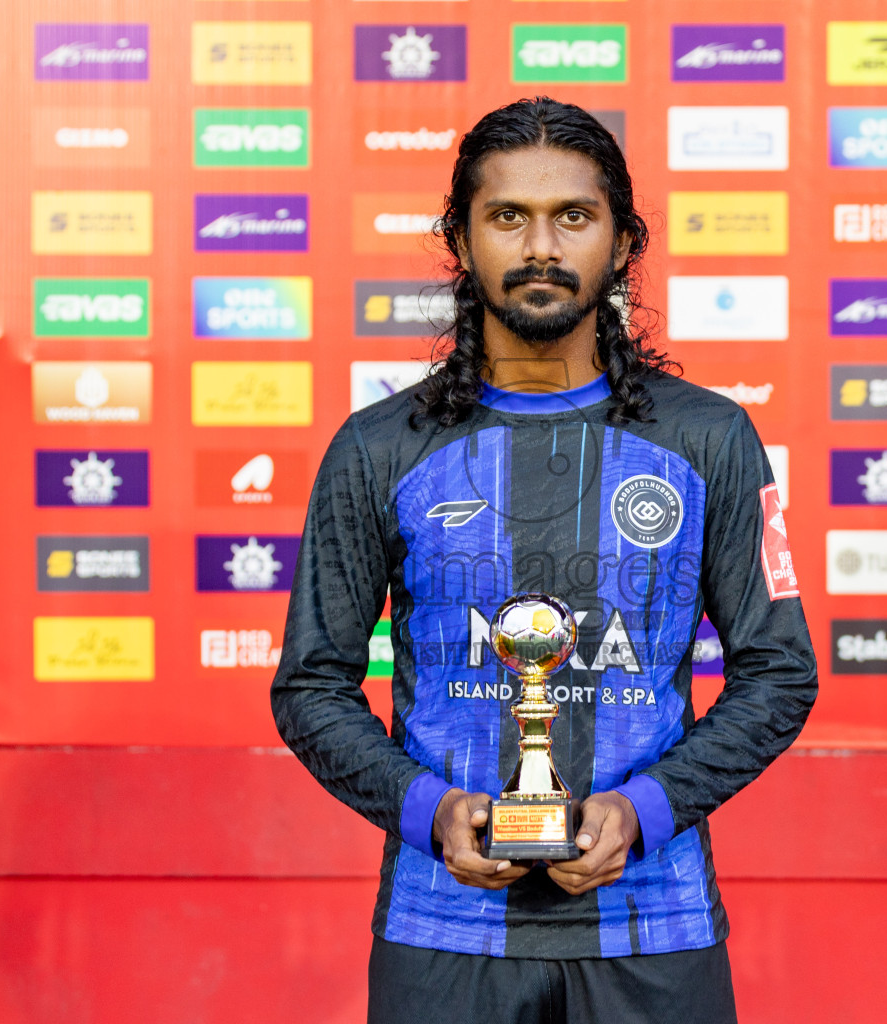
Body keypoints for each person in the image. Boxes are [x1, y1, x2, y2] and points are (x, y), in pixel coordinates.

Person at [271, 97, 817, 1023]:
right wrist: (426, 810)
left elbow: (780, 673)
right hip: (446, 932)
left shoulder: (713, 440)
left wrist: (644, 810)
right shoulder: (377, 449)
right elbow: (311, 686)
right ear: (460, 237)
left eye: (573, 216)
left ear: (622, 238)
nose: (541, 248)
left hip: (654, 925)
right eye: (507, 217)